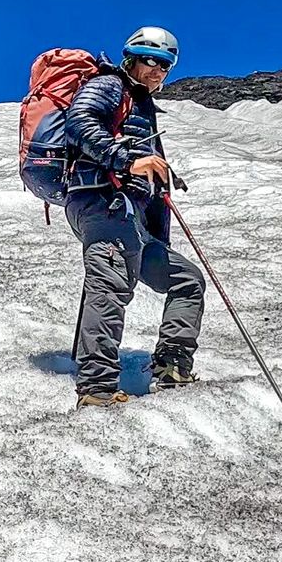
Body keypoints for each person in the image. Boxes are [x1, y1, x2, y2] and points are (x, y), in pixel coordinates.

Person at [62, 26, 206, 407]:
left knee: (187, 280)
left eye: (166, 65)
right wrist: (128, 159)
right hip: (101, 203)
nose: (158, 70)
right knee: (108, 287)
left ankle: (172, 366)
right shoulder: (109, 85)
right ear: (131, 57)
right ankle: (97, 389)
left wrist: (157, 234)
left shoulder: (140, 104)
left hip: (130, 217)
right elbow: (78, 125)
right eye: (151, 60)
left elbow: (148, 176)